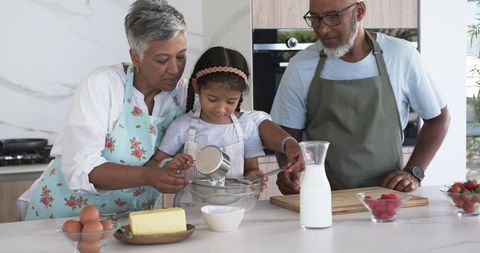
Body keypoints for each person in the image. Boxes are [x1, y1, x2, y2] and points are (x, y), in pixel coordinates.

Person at [18, 0, 303, 221]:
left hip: (134, 222)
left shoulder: (184, 93)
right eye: (162, 59)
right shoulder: (104, 85)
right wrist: (148, 175)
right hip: (65, 218)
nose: (174, 69)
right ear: (135, 56)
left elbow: (246, 122)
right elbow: (81, 168)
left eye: (180, 57)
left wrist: (287, 143)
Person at [271, 0, 450, 194]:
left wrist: (413, 172)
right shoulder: (301, 66)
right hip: (326, 197)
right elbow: (286, 137)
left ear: (359, 12)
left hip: (389, 199)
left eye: (333, 17)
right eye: (315, 19)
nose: (322, 29)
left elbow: (439, 118)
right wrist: (288, 171)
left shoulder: (401, 55)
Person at [150, 46, 267, 186]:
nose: (220, 109)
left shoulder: (245, 125)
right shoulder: (182, 126)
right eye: (212, 99)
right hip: (191, 205)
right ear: (196, 87)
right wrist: (170, 163)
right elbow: (155, 164)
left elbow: (251, 168)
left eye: (231, 101)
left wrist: (255, 176)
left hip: (234, 205)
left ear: (240, 95)